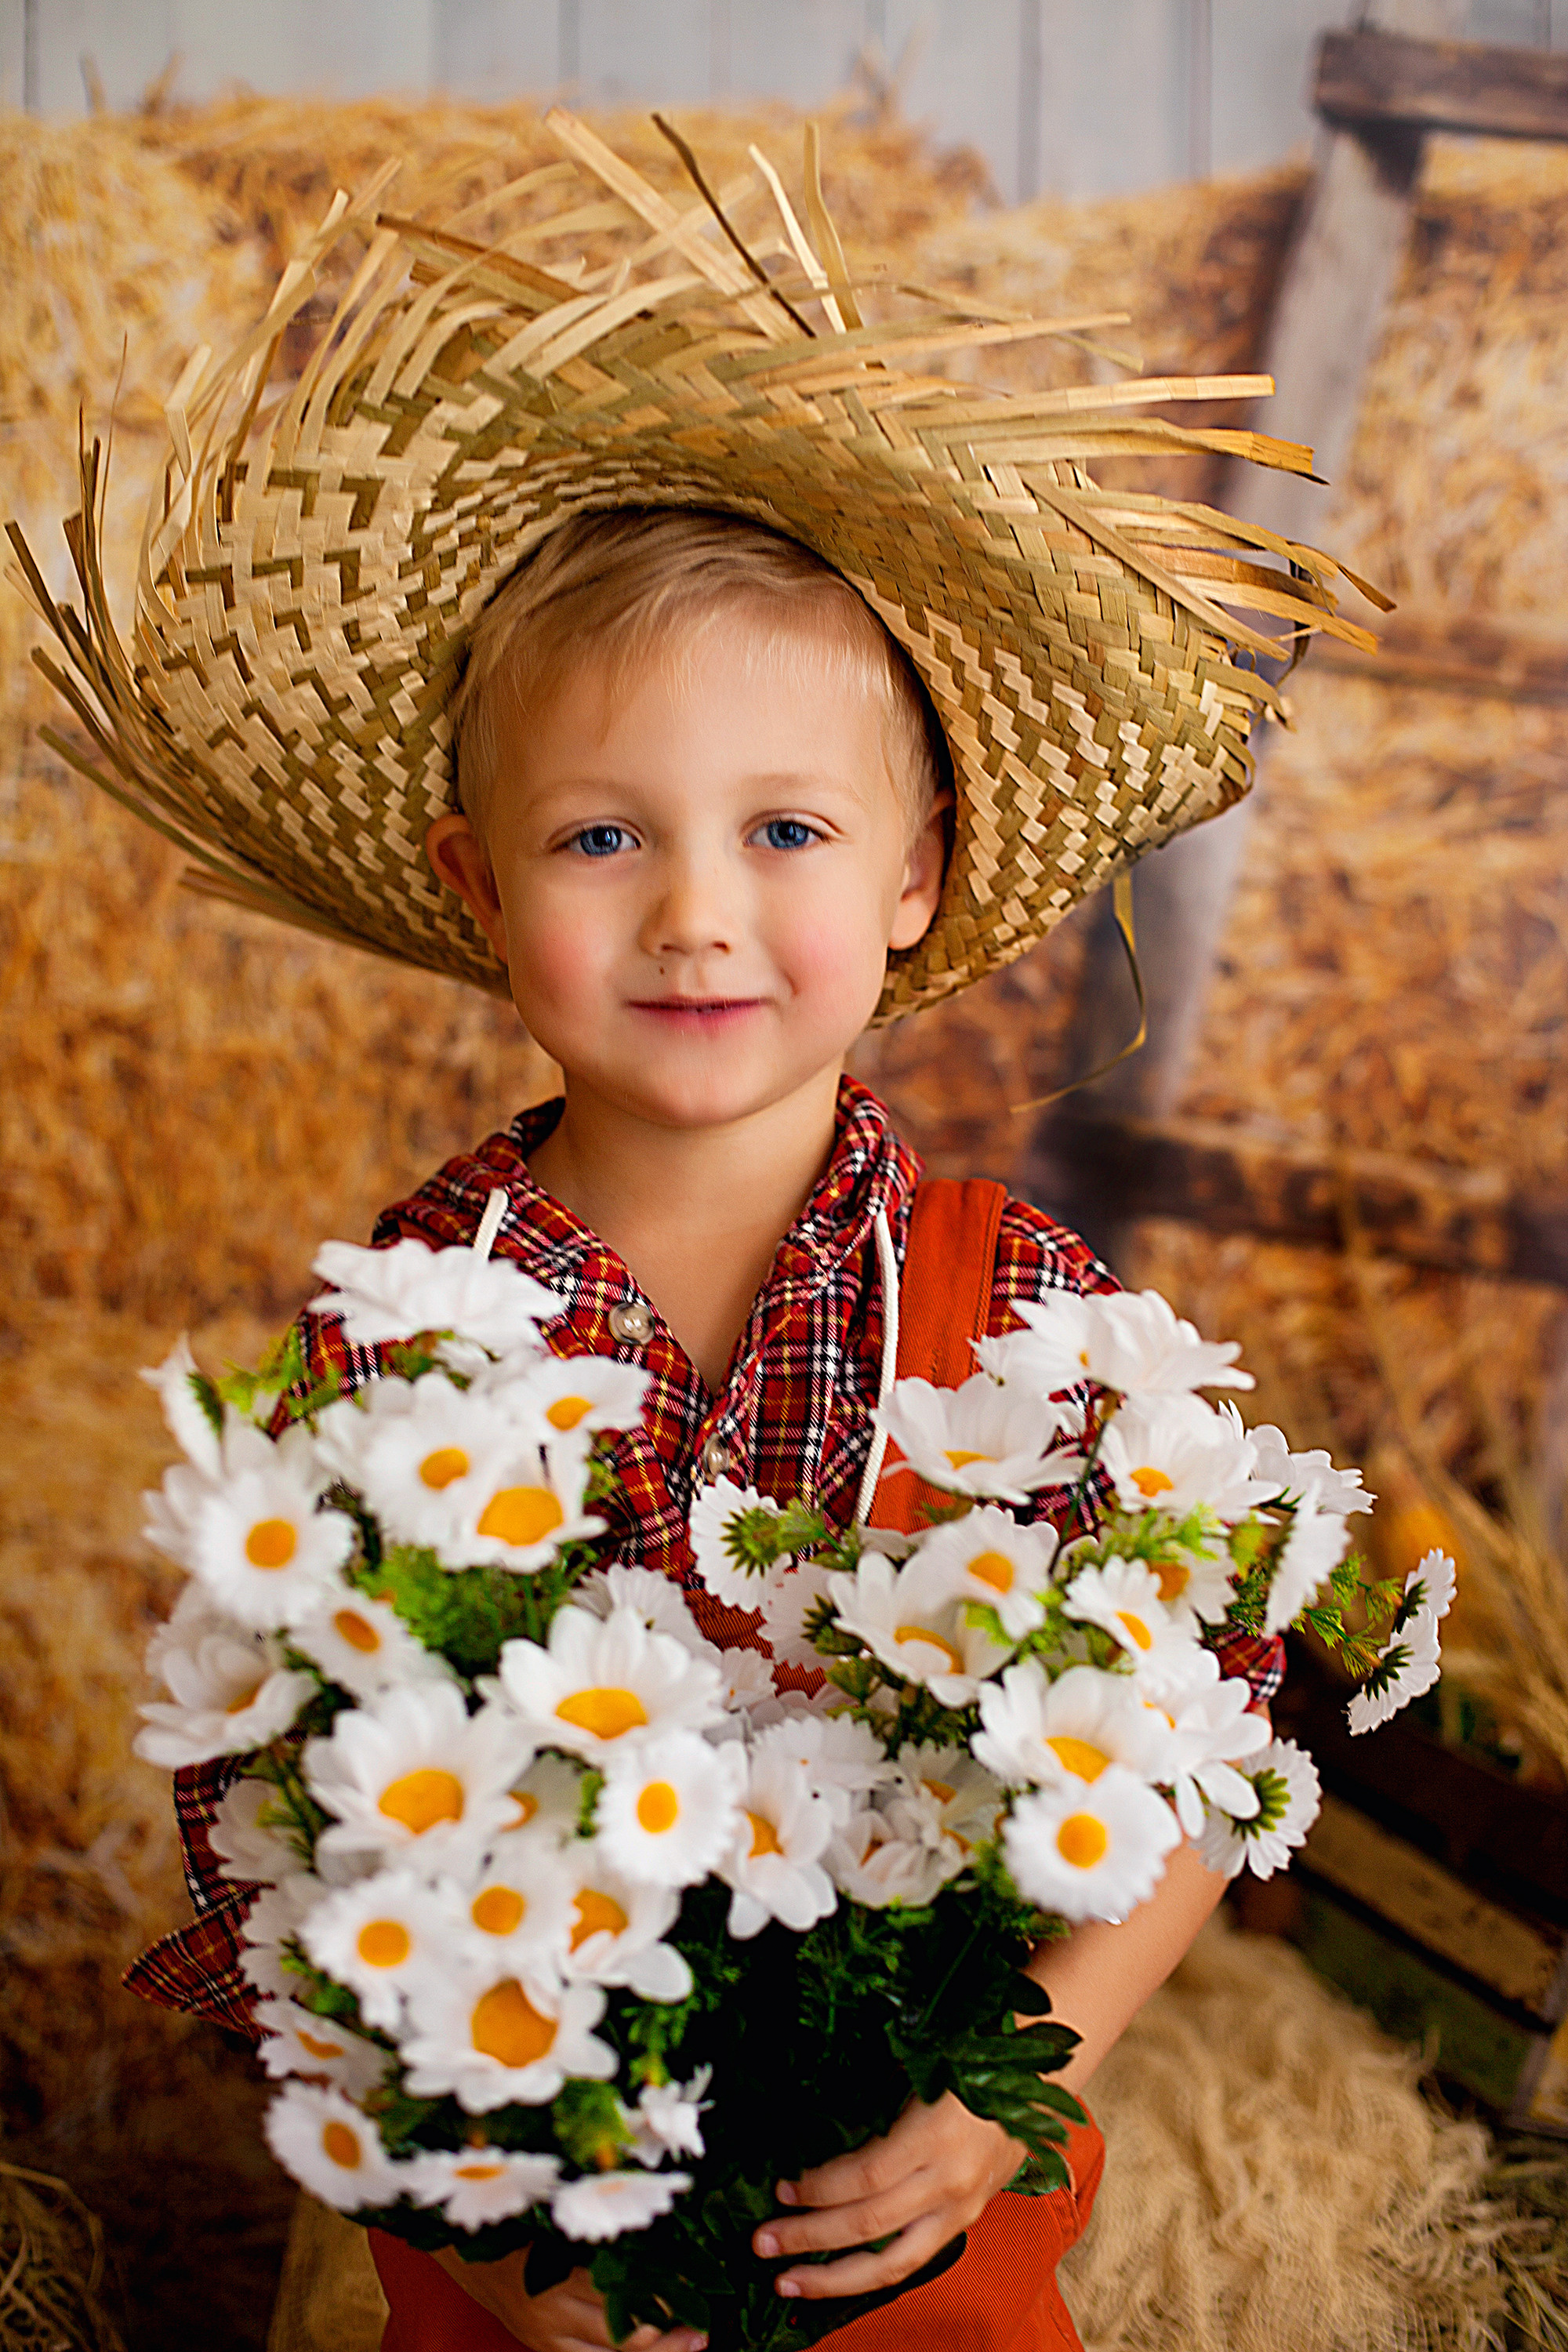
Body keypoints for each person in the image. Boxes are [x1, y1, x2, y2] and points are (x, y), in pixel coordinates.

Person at [25, 114, 1350, 2352]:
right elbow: (281, 1839)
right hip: (527, 2209)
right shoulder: (422, 1329)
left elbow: (1206, 1720)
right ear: (477, 893)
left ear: (915, 880)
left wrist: (1039, 2057)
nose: (701, 913)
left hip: (913, 2221)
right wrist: (484, 2230)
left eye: (788, 829)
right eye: (603, 834)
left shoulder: (1025, 1313)